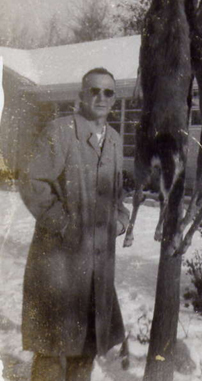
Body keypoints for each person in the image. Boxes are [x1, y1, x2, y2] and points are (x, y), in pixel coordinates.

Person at [19, 67, 129, 381]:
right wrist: (64, 224)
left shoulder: (116, 140)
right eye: (93, 90)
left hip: (98, 264)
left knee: (88, 346)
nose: (100, 97)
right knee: (53, 347)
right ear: (81, 96)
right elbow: (33, 182)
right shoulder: (60, 131)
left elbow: (118, 192)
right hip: (59, 262)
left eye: (108, 92)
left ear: (114, 100)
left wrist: (120, 220)